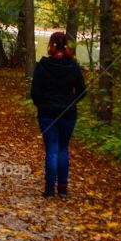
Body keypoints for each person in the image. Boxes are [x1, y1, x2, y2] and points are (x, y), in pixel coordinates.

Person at [29, 31, 86, 198]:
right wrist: (71, 102)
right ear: (66, 45)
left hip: (48, 114)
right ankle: (62, 188)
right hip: (68, 114)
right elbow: (82, 91)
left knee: (52, 150)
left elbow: (35, 92)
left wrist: (42, 104)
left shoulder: (43, 65)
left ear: (51, 45)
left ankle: (49, 189)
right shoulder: (73, 66)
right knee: (62, 149)